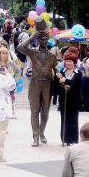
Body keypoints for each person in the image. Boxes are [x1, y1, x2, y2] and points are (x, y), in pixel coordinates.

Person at [17, 16, 59, 147]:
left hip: (47, 85)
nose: (44, 41)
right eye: (41, 39)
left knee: (45, 112)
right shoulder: (32, 52)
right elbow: (20, 47)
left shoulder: (52, 55)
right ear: (38, 40)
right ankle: (35, 136)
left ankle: (41, 132)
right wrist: (33, 36)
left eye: (46, 39)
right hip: (35, 84)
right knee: (34, 110)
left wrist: (62, 80)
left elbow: (56, 69)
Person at [56, 53, 82, 145]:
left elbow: (77, 84)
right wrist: (58, 80)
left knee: (73, 119)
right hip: (64, 99)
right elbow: (57, 85)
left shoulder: (78, 73)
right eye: (66, 61)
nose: (68, 63)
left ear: (74, 63)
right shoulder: (62, 72)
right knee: (64, 119)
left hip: (74, 100)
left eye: (70, 61)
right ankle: (65, 139)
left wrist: (66, 80)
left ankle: (73, 139)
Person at [0, 48, 21, 117]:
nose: (5, 55)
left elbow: (18, 71)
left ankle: (11, 110)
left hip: (9, 84)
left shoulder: (11, 62)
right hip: (0, 85)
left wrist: (15, 80)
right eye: (3, 53)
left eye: (6, 54)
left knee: (11, 97)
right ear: (0, 54)